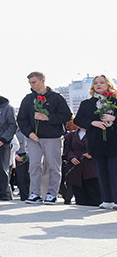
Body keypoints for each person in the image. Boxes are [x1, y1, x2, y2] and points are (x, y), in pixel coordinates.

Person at [17, 71, 72, 204]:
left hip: (53, 138)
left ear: (43, 80)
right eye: (30, 83)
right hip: (33, 138)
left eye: (34, 82)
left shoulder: (56, 97)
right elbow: (21, 119)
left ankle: (52, 194)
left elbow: (67, 115)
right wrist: (29, 133)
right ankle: (34, 193)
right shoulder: (28, 99)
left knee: (54, 166)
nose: (32, 85)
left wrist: (48, 118)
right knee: (34, 166)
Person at [73, 75, 117, 210]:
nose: (99, 85)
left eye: (102, 82)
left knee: (114, 172)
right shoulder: (86, 103)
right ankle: (106, 200)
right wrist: (92, 123)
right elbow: (78, 120)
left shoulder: (115, 101)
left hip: (114, 142)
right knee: (101, 172)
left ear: (108, 84)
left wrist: (114, 117)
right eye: (96, 83)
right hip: (96, 143)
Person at [62, 119, 101, 207]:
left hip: (91, 168)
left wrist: (92, 153)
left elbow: (100, 147)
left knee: (93, 193)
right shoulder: (70, 135)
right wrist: (71, 157)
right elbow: (67, 150)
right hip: (76, 167)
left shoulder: (95, 134)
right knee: (80, 197)